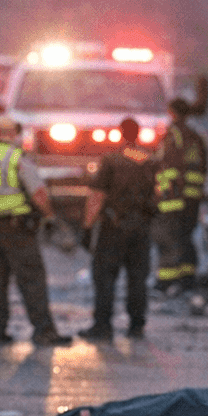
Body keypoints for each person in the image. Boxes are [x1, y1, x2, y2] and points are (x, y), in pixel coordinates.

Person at [0, 116, 71, 346]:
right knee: (31, 277)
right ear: (12, 134)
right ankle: (44, 330)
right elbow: (38, 192)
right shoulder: (16, 158)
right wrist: (50, 217)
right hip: (15, 229)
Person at [79, 117, 159, 340]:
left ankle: (103, 327)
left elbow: (96, 196)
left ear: (121, 134)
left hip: (114, 228)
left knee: (104, 277)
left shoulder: (112, 161)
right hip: (141, 228)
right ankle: (136, 326)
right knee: (137, 278)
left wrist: (87, 227)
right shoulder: (149, 161)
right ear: (138, 134)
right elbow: (159, 194)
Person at [154, 75, 208, 292]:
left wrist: (161, 192)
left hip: (173, 196)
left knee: (167, 237)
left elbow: (169, 166)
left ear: (172, 112)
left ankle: (166, 280)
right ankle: (188, 278)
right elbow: (203, 166)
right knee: (185, 237)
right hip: (192, 197)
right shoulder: (196, 136)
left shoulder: (173, 135)